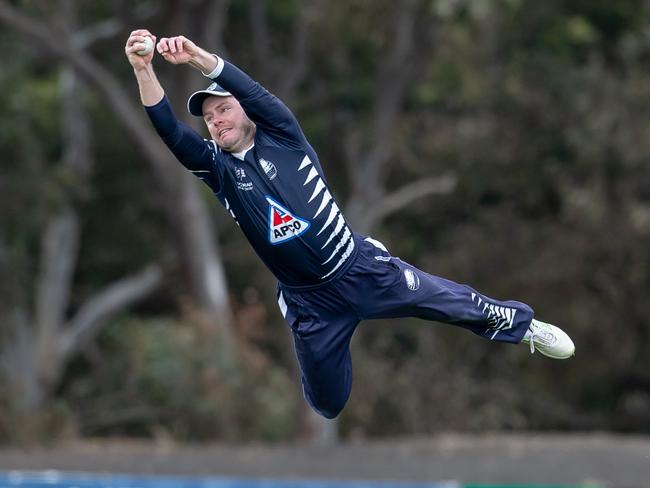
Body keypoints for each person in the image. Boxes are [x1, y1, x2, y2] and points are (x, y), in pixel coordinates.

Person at [125, 29, 575, 419]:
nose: (215, 120)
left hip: (359, 268)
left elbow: (252, 90)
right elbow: (169, 130)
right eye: (208, 118)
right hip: (310, 306)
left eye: (222, 109)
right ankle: (315, 349)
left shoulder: (283, 133)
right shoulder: (218, 170)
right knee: (328, 404)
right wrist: (144, 69)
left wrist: (200, 58)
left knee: (446, 301)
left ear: (245, 112)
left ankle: (522, 326)